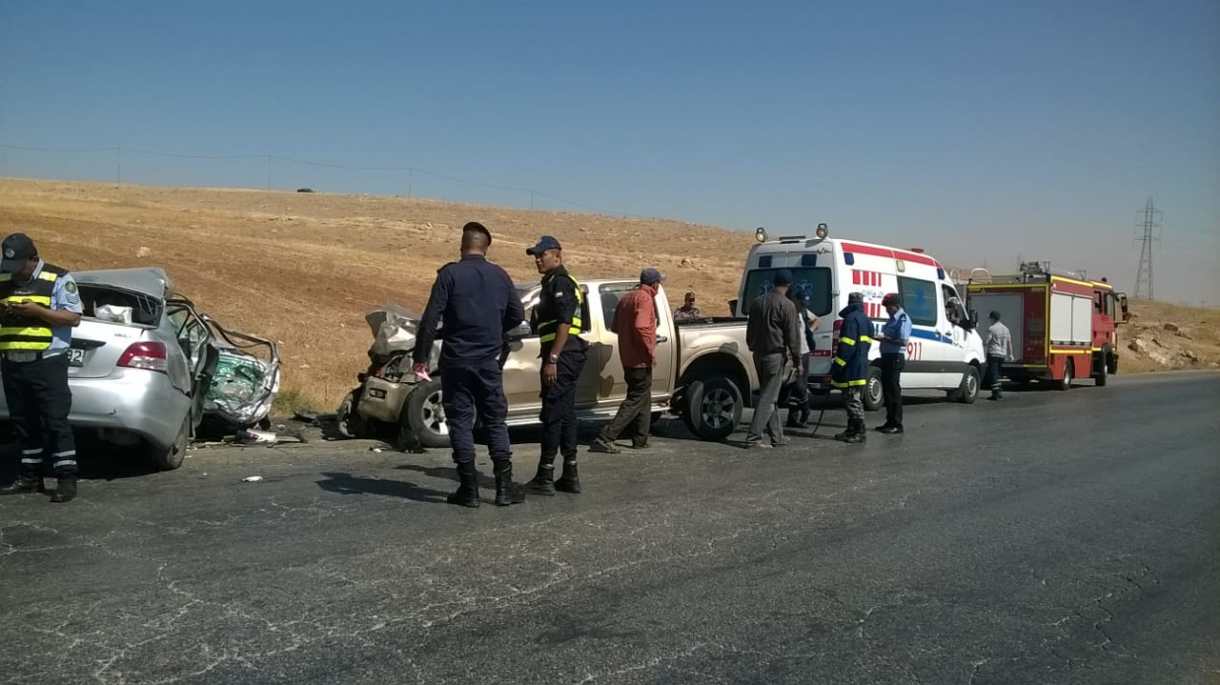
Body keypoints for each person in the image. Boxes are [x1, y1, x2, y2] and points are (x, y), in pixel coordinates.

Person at [413, 222, 526, 508]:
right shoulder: (500, 275)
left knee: (461, 421)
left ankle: (469, 489)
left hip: (457, 361)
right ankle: (503, 489)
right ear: (486, 248)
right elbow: (517, 314)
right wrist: (494, 330)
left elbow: (430, 318)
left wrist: (420, 357)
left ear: (462, 246)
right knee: (495, 420)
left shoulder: (450, 274)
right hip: (489, 360)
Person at [0, 233, 83, 503]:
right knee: (23, 421)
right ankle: (29, 476)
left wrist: (38, 312)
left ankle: (66, 478)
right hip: (12, 360)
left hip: (47, 361)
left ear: (33, 258)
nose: (15, 273)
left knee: (55, 420)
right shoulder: (3, 277)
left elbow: (73, 318)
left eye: (20, 266)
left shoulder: (58, 278)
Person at [524, 236, 588, 495]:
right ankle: (570, 474)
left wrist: (553, 359)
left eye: (542, 255)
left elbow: (564, 322)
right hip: (567, 354)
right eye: (536, 256)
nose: (537, 260)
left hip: (562, 356)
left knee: (551, 413)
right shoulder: (554, 282)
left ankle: (545, 475)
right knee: (566, 414)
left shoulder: (560, 282)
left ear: (557, 256)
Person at [591, 268, 662, 454]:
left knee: (643, 397)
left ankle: (640, 438)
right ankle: (606, 437)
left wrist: (628, 336)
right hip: (640, 359)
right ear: (654, 284)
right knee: (636, 398)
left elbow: (615, 327)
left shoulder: (626, 298)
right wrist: (649, 351)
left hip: (628, 357)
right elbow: (641, 326)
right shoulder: (645, 299)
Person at [744, 270, 801, 448]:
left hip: (758, 354)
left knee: (770, 394)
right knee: (768, 398)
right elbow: (793, 337)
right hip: (775, 356)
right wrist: (797, 361)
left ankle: (777, 437)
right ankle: (753, 438)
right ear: (789, 285)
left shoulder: (757, 302)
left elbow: (749, 331)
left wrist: (753, 346)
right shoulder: (787, 305)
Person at [831, 292, 873, 444]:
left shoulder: (850, 320)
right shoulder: (867, 320)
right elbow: (867, 345)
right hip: (861, 365)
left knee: (853, 401)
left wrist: (837, 366)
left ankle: (859, 432)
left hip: (851, 368)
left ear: (850, 303)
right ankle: (851, 430)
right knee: (852, 400)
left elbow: (846, 347)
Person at [875, 293, 912, 434]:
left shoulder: (903, 319)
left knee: (893, 391)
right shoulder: (891, 319)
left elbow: (903, 341)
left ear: (896, 306)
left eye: (888, 307)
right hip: (887, 356)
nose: (887, 310)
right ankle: (889, 421)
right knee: (887, 391)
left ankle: (897, 424)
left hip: (895, 357)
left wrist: (885, 338)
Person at [785, 290, 818, 428]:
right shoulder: (789, 312)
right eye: (802, 303)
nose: (804, 306)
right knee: (795, 386)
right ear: (796, 300)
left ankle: (795, 416)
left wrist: (810, 330)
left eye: (806, 304)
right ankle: (804, 409)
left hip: (804, 352)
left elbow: (817, 320)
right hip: (791, 354)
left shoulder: (804, 312)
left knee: (800, 385)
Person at [984, 310, 1014, 400]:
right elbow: (1009, 343)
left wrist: (981, 343)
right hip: (1002, 354)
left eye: (990, 318)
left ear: (993, 319)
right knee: (998, 373)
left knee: (993, 373)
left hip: (993, 353)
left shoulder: (992, 329)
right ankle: (999, 392)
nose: (990, 320)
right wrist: (1011, 354)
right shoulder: (1006, 329)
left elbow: (987, 341)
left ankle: (995, 393)